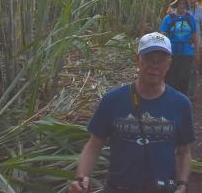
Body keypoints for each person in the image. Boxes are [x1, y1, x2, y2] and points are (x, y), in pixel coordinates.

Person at [69, 33, 194, 193]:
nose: (154, 66)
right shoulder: (113, 100)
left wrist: (182, 184)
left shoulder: (181, 104)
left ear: (169, 64)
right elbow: (94, 146)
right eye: (148, 58)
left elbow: (184, 152)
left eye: (160, 60)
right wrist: (81, 179)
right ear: (138, 59)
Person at [159, 0, 197, 96]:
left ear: (186, 5)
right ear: (176, 4)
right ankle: (169, 96)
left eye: (184, 3)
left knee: (184, 77)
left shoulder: (190, 18)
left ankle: (182, 98)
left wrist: (197, 51)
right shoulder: (168, 18)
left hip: (187, 52)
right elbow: (162, 35)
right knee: (170, 76)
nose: (182, 5)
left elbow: (194, 35)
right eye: (180, 3)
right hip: (172, 51)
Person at [186, 0, 202, 99]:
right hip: (183, 43)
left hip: (196, 43)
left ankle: (191, 92)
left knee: (193, 68)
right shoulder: (182, 9)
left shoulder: (201, 11)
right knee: (183, 67)